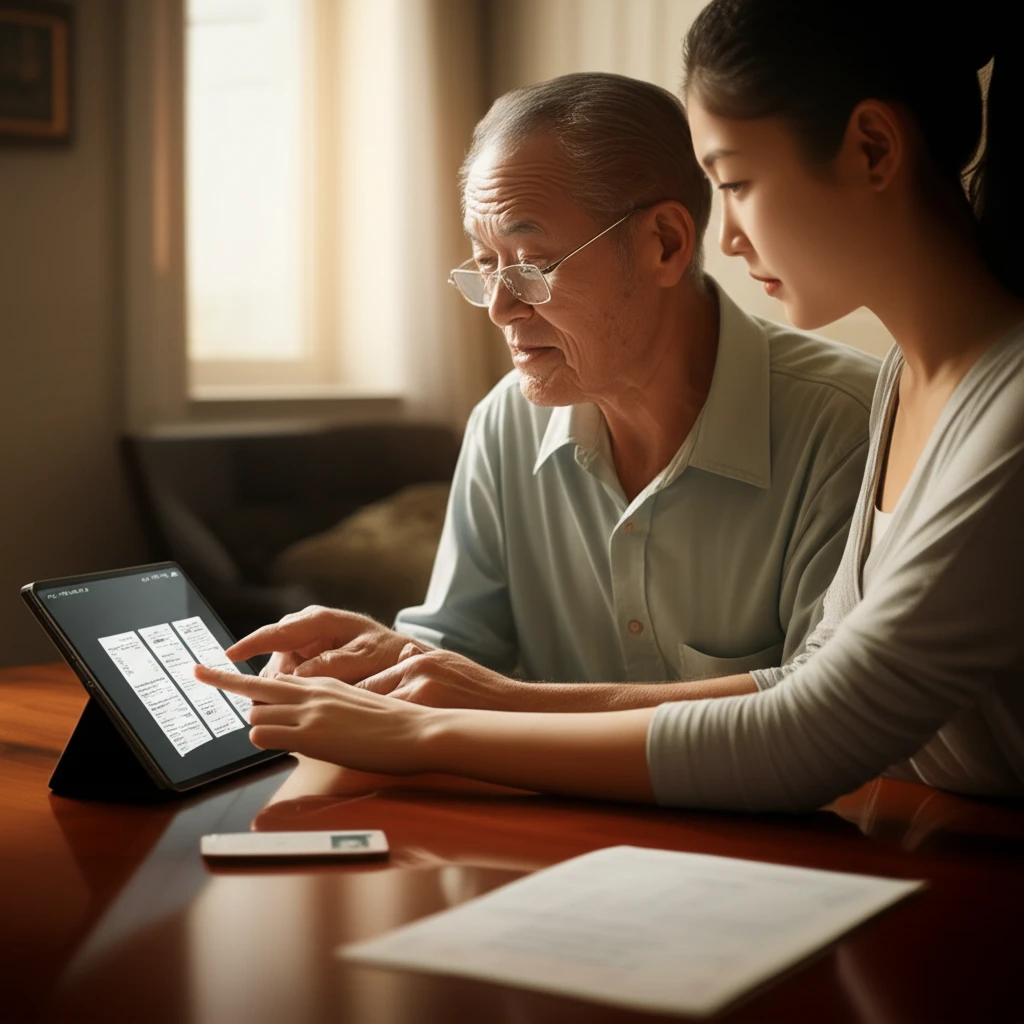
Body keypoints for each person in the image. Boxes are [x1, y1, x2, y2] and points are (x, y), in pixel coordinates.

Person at [197, 0, 1024, 812]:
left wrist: (433, 730)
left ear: (874, 148)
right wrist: (414, 681)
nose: (727, 238)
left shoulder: (958, 405)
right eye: (482, 266)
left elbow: (814, 728)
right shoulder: (904, 384)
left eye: (734, 182)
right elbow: (819, 686)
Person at [220, 72, 879, 714]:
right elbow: (458, 653)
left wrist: (502, 701)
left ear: (665, 243)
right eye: (484, 263)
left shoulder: (852, 423)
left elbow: (821, 717)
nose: (500, 308)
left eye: (532, 265)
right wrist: (378, 660)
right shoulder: (504, 423)